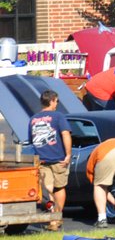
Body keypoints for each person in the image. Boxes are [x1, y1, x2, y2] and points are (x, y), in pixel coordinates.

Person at [28, 90, 71, 231]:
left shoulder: (33, 119)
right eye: (56, 101)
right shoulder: (58, 116)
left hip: (41, 159)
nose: (57, 104)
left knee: (48, 189)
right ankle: (57, 217)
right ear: (52, 100)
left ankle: (53, 217)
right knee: (59, 187)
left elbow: (31, 140)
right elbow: (65, 134)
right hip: (58, 158)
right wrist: (68, 154)